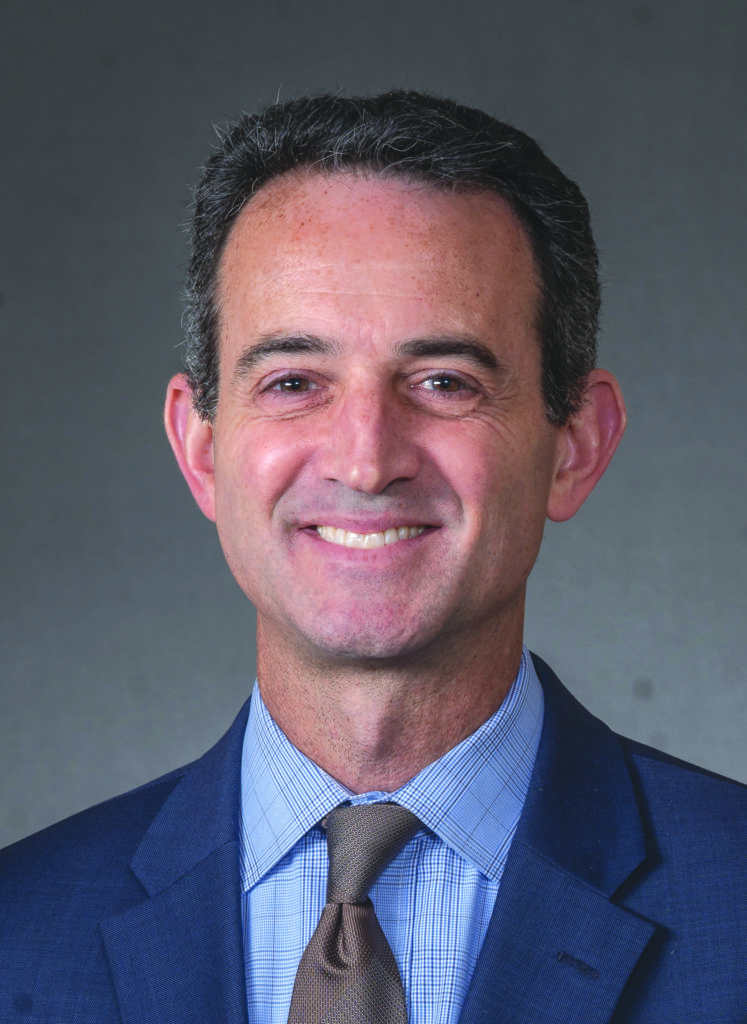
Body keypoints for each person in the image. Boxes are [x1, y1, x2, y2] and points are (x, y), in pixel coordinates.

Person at [1, 91, 744, 1024]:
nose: (365, 460)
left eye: (442, 381)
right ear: (200, 450)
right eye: (293, 381)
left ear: (575, 446)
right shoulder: (16, 931)